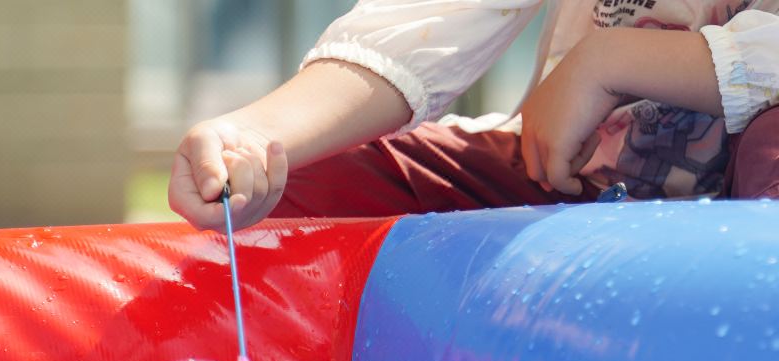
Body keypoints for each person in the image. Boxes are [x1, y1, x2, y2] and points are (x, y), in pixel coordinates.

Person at [168, 0, 779, 231]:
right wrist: (257, 136)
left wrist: (611, 59)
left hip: (738, 228)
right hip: (563, 179)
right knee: (299, 182)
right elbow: (425, 26)